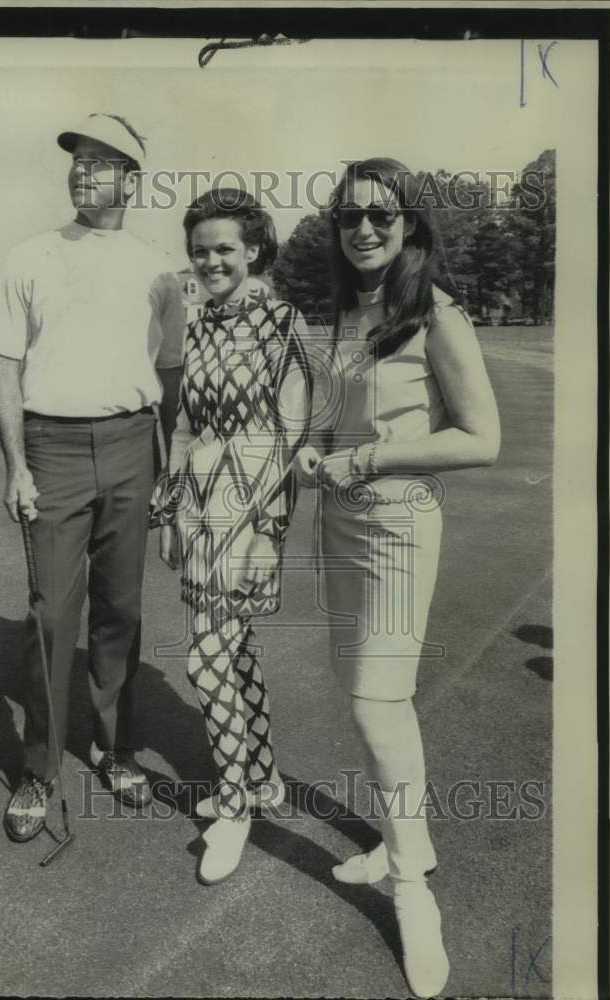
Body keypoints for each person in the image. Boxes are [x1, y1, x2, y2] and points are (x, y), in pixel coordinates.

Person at [294, 159, 500, 998]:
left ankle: (412, 884)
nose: (365, 230)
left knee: (378, 701)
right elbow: (333, 418)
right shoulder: (348, 309)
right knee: (369, 696)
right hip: (340, 522)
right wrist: (316, 447)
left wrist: (367, 456)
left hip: (399, 526)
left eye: (383, 216)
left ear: (412, 224)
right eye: (351, 218)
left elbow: (480, 438)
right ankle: (396, 835)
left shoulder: (436, 313)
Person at [0, 114, 186, 842]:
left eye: (102, 162)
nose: (82, 171)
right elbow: (3, 364)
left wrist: (165, 461)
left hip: (134, 444)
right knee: (50, 616)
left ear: (132, 179)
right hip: (52, 446)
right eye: (77, 160)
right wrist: (16, 464)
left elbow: (171, 372)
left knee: (120, 611)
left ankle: (117, 748)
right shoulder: (29, 256)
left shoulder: (159, 266)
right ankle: (39, 771)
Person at [151, 190, 312, 884]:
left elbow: (293, 432)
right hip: (202, 502)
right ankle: (266, 774)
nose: (210, 259)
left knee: (204, 659)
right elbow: (185, 427)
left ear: (252, 250)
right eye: (200, 249)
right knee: (235, 643)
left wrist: (268, 534)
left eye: (224, 248)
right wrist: (169, 510)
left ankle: (237, 804)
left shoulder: (283, 321)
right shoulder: (200, 325)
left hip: (254, 505)